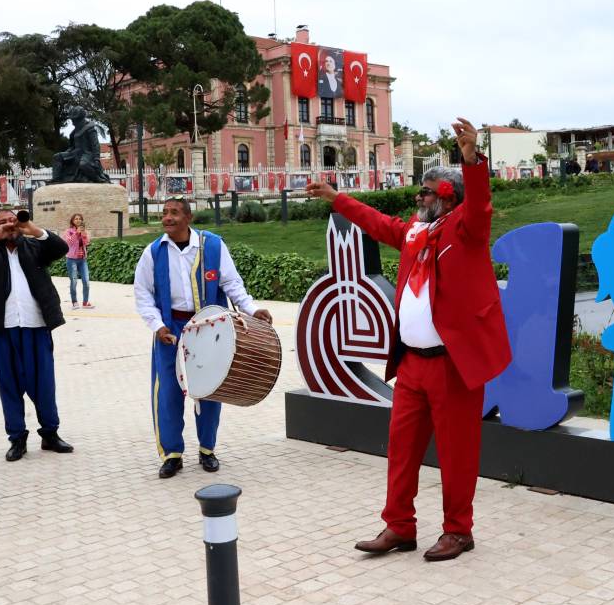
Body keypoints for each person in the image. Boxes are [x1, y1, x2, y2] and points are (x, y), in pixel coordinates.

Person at [306, 118, 511, 561]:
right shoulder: (415, 233)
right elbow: (377, 223)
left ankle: (459, 531)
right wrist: (337, 200)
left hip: (453, 365)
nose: (417, 198)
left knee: (457, 454)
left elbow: (481, 205)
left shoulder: (466, 230)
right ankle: (399, 526)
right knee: (401, 448)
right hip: (413, 364)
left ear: (447, 196)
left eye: (425, 192)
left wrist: (471, 159)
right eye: (418, 192)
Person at [133, 198, 273, 479]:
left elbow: (232, 284)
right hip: (170, 329)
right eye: (164, 213)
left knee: (210, 389)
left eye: (174, 213)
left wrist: (252, 309)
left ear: (189, 217)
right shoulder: (153, 252)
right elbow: (142, 293)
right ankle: (171, 454)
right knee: (168, 392)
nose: (167, 218)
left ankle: (207, 449)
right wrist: (158, 326)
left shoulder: (213, 246)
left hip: (210, 327)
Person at [0, 209, 74, 461]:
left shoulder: (34, 246)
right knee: (9, 385)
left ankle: (50, 434)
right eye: (2, 223)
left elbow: (61, 248)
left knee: (44, 383)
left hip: (37, 327)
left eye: (12, 221)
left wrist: (33, 230)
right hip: (4, 329)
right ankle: (17, 438)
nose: (9, 226)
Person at [50, 106, 111, 184]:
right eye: (72, 119)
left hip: (87, 154)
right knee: (57, 157)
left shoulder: (90, 129)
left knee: (83, 165)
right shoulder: (74, 132)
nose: (73, 122)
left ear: (80, 119)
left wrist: (96, 159)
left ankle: (97, 178)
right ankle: (56, 179)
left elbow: (95, 145)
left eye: (74, 119)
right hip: (75, 153)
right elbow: (72, 146)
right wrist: (67, 153)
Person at [63, 212, 93, 309]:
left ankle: (85, 302)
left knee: (86, 281)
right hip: (71, 260)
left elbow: (87, 242)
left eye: (80, 219)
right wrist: (77, 233)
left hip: (82, 260)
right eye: (76, 219)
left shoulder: (85, 231)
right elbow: (69, 242)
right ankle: (74, 302)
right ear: (72, 221)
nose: (78, 220)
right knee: (74, 281)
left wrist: (83, 234)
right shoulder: (68, 231)